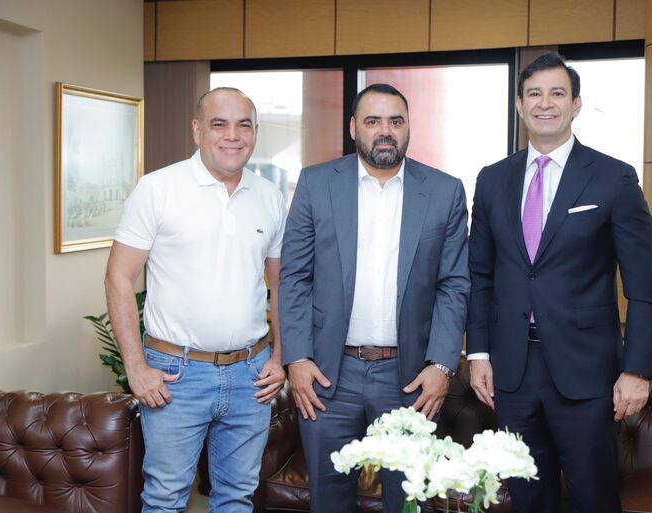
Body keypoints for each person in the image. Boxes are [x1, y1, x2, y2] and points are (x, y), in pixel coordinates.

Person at [467, 53, 652, 513]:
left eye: (557, 93)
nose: (545, 103)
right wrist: (478, 353)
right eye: (534, 94)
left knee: (593, 498)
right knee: (527, 499)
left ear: (576, 105)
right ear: (519, 106)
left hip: (587, 376)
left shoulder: (613, 178)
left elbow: (646, 288)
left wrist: (636, 371)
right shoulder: (493, 180)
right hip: (512, 375)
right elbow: (480, 276)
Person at [279, 83, 470, 513]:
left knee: (408, 502)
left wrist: (442, 364)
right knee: (328, 501)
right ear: (353, 128)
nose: (385, 131)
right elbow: (295, 277)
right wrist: (297, 358)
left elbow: (454, 284)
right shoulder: (315, 184)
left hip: (409, 379)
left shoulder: (445, 191)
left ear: (408, 129)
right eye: (373, 121)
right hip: (329, 376)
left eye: (395, 121)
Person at [105, 87, 286, 513]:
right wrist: (136, 367)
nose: (232, 135)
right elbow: (119, 277)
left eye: (244, 125)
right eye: (219, 124)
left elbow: (283, 286)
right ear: (197, 130)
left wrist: (280, 356)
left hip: (251, 377)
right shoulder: (158, 188)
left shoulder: (270, 196)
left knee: (238, 496)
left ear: (255, 132)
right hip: (175, 376)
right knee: (166, 497)